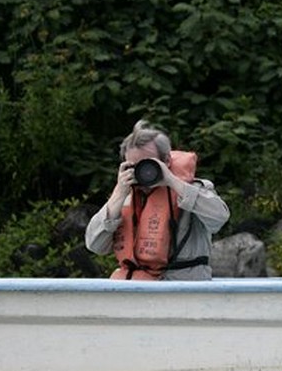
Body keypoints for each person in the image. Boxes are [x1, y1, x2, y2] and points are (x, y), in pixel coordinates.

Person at [86, 120, 230, 280]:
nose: (142, 172)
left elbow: (220, 218)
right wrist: (118, 194)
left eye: (147, 164)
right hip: (138, 290)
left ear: (167, 160)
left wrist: (171, 181)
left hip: (182, 289)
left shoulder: (192, 190)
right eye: (133, 166)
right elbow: (95, 245)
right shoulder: (125, 197)